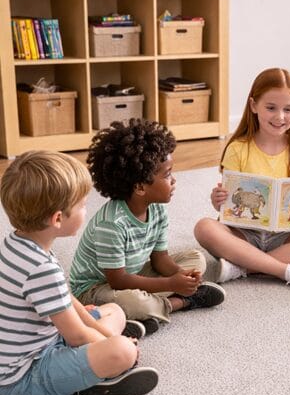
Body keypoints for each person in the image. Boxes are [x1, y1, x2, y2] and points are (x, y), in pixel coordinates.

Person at [0, 150, 159, 395]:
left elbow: (65, 297)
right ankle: (99, 380)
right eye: (82, 205)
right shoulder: (41, 268)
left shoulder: (17, 243)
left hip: (46, 340)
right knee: (122, 352)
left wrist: (102, 333)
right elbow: (77, 337)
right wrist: (116, 344)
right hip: (26, 376)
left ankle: (105, 347)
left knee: (114, 311)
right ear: (58, 219)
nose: (86, 210)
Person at [70, 119, 225, 335]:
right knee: (136, 302)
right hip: (96, 288)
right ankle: (178, 304)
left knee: (196, 259)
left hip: (132, 273)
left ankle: (140, 317)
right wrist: (172, 283)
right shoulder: (111, 224)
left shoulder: (157, 209)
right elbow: (119, 280)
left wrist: (182, 275)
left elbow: (160, 259)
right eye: (167, 174)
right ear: (141, 187)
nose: (174, 180)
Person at [194, 68, 290, 293]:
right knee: (204, 228)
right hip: (244, 233)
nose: (280, 117)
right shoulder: (238, 149)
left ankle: (242, 268)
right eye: (271, 108)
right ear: (254, 106)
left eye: (288, 109)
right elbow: (228, 207)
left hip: (286, 236)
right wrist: (218, 200)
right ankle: (287, 272)